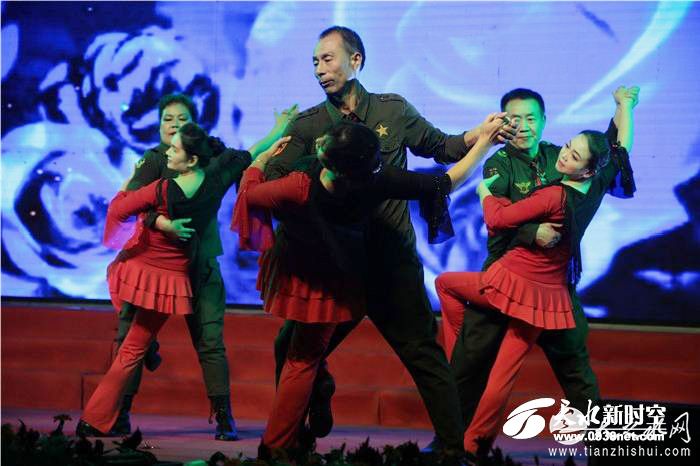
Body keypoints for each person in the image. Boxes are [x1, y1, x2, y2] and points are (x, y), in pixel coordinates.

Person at [264, 25, 516, 454]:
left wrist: (479, 133)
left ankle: (453, 449)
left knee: (424, 355)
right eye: (314, 62)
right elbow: (275, 176)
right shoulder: (308, 124)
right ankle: (298, 433)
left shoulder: (392, 110)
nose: (319, 69)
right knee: (289, 349)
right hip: (336, 271)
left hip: (391, 264)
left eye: (327, 59)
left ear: (355, 60)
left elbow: (441, 147)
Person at [233, 116, 508, 456]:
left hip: (327, 285)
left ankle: (280, 445)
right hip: (351, 279)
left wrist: (260, 160)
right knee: (306, 354)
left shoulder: (300, 187)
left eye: (324, 143)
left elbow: (250, 194)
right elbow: (445, 182)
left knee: (301, 358)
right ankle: (451, 450)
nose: (318, 142)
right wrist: (483, 143)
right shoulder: (377, 180)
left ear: (330, 163)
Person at [437, 86, 638, 453]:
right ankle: (454, 445)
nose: (523, 126)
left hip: (554, 289)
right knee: (470, 365)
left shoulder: (559, 158)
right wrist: (533, 232)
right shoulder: (498, 165)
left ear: (544, 121)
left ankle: (602, 448)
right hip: (505, 278)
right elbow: (498, 223)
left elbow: (611, 151)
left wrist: (625, 107)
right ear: (502, 123)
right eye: (514, 119)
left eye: (531, 118)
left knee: (575, 371)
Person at [75, 119, 290, 437]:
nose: (167, 153)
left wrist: (130, 182)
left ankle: (95, 418)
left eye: (174, 150)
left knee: (132, 343)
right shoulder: (216, 178)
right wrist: (278, 132)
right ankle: (107, 410)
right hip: (171, 279)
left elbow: (119, 209)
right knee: (135, 343)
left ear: (191, 160)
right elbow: (250, 152)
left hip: (147, 273)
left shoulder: (163, 188)